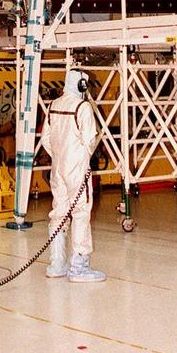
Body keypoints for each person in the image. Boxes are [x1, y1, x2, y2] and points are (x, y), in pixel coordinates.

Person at [40, 68, 105, 282]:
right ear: (82, 85)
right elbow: (90, 140)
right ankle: (79, 266)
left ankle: (57, 263)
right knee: (80, 212)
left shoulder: (53, 105)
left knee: (58, 212)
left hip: (57, 168)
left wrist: (60, 156)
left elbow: (46, 139)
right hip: (76, 169)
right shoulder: (82, 107)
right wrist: (79, 157)